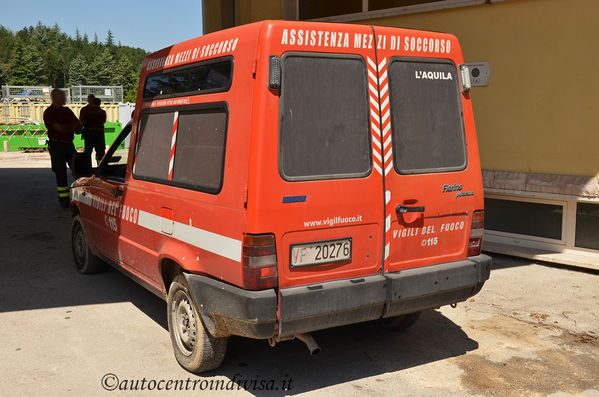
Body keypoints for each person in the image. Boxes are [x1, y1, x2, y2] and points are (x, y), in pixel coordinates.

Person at [43, 89, 80, 208]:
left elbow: (77, 125)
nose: (65, 98)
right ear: (55, 98)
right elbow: (58, 128)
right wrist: (70, 127)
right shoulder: (49, 112)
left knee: (78, 169)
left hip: (69, 144)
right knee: (60, 172)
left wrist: (66, 128)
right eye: (62, 96)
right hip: (56, 145)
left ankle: (81, 197)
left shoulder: (67, 110)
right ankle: (64, 200)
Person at [80, 97, 107, 164]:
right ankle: (99, 164)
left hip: (89, 133)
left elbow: (82, 121)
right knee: (100, 151)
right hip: (99, 133)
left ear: (93, 103)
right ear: (99, 103)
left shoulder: (86, 111)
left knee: (88, 151)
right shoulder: (102, 112)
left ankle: (88, 166)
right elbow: (103, 121)